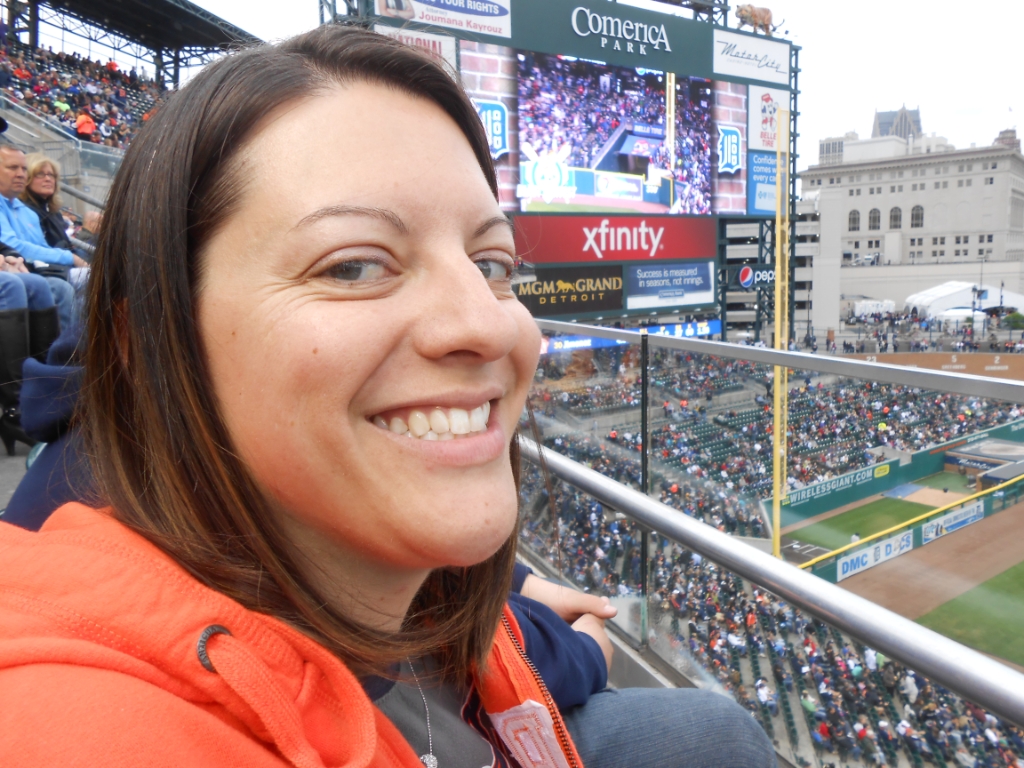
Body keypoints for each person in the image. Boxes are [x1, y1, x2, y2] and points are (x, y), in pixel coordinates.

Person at [0, 26, 776, 768]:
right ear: (150, 346)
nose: (487, 321)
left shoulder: (351, 532)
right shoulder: (82, 719)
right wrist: (573, 647)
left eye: (494, 263)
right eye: (353, 266)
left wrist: (529, 602)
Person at [0, 145, 78, 329]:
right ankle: (65, 353)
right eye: (13, 168)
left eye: (24, 169)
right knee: (61, 288)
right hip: (24, 270)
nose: (20, 174)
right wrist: (70, 257)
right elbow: (12, 244)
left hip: (38, 269)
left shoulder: (27, 211)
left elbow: (43, 249)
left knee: (99, 281)